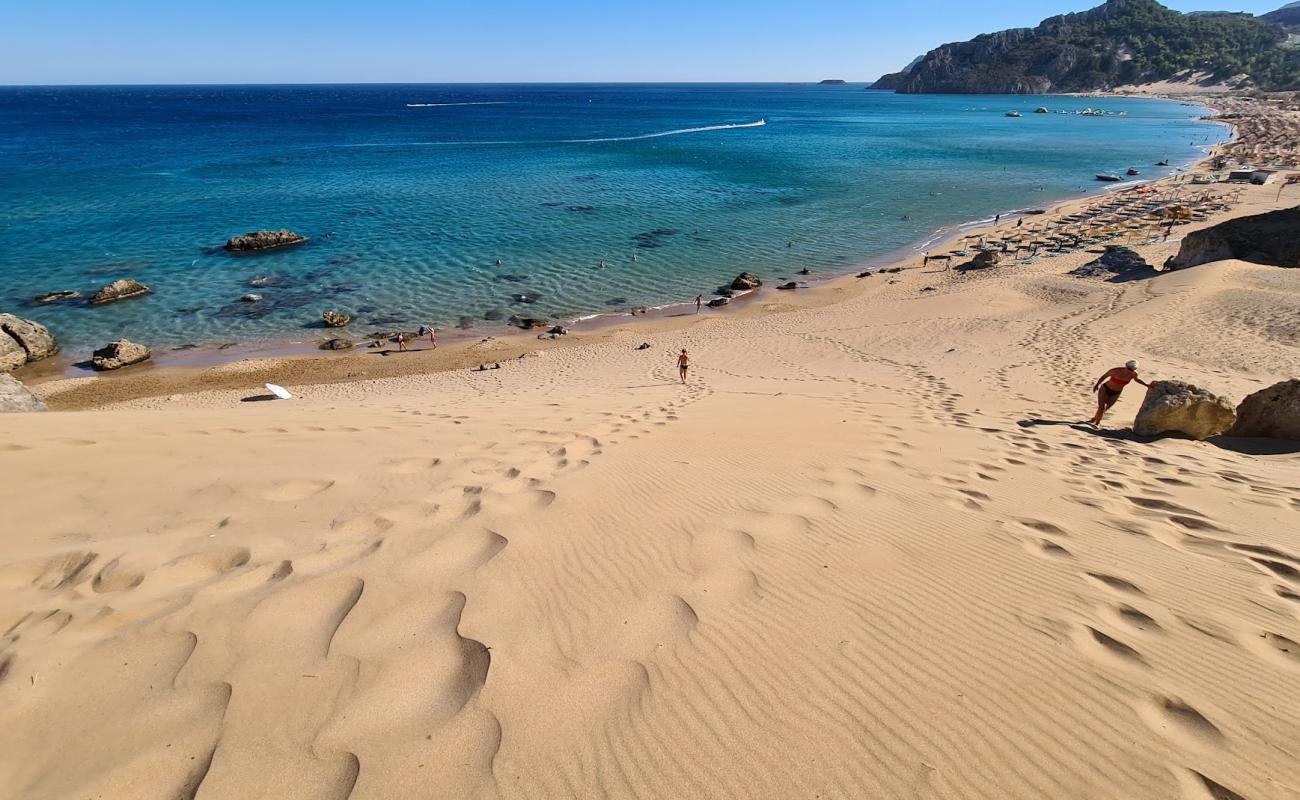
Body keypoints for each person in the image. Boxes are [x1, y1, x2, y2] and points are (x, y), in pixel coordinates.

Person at [1089, 360, 1150, 427]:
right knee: (1101, 408)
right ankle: (1097, 423)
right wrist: (1097, 384)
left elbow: (1137, 380)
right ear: (1126, 366)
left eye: (1132, 369)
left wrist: (1146, 385)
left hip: (1116, 393)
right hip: (1105, 389)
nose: (1129, 371)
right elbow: (1104, 376)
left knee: (1105, 409)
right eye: (1129, 368)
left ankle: (1095, 418)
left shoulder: (1133, 374)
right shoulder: (1115, 371)